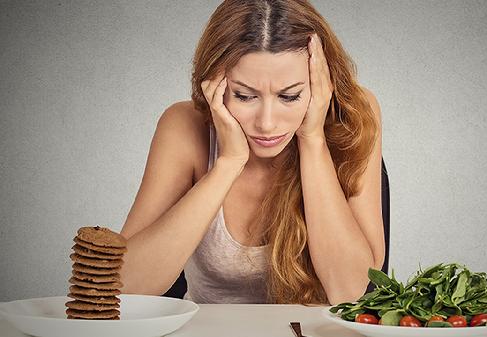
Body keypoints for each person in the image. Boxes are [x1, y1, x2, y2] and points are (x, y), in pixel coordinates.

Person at [119, 0, 384, 305]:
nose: (267, 124)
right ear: (214, 84)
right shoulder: (183, 127)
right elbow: (126, 286)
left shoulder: (354, 116)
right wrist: (228, 164)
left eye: (290, 96)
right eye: (245, 96)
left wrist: (312, 140)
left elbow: (350, 289)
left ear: (321, 85)